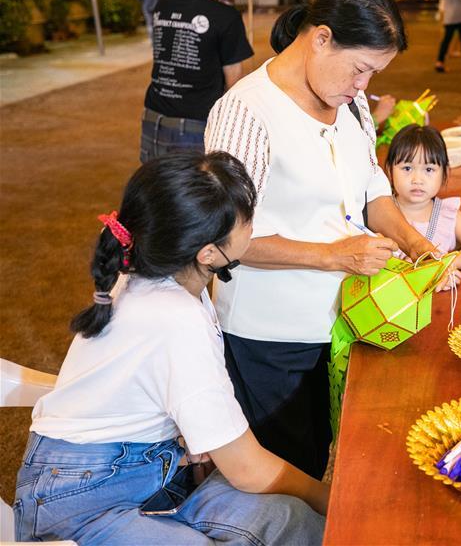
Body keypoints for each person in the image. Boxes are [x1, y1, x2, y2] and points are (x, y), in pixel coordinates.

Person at [14, 153, 328, 544]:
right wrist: (330, 498)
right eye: (248, 218)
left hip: (137, 467)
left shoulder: (153, 274)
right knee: (297, 514)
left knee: (291, 521)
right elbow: (247, 469)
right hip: (78, 502)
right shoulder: (177, 317)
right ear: (208, 253)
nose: (255, 223)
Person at [205, 0, 436, 480]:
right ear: (322, 38)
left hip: (340, 320)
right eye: (360, 68)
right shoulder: (246, 112)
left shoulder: (350, 103)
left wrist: (417, 243)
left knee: (329, 447)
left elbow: (371, 186)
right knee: (287, 470)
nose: (363, 85)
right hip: (270, 334)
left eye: (373, 73)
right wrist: (335, 255)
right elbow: (223, 240)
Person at [140, 0, 253, 162]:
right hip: (195, 126)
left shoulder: (163, 6)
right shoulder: (226, 17)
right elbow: (235, 84)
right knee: (197, 184)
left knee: (157, 183)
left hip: (152, 120)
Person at [386, 125, 461, 286]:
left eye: (429, 169)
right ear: (389, 171)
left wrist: (442, 264)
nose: (417, 179)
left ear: (445, 173)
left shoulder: (447, 214)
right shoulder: (381, 213)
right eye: (407, 168)